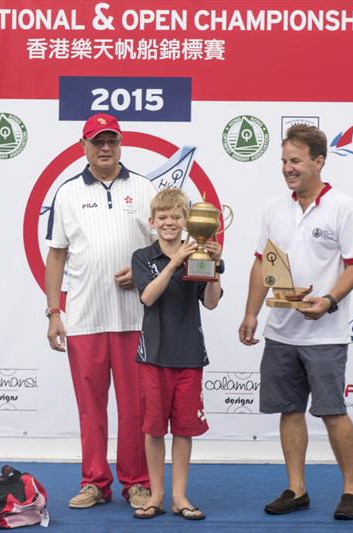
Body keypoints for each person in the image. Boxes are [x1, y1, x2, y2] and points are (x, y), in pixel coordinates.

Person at [238, 124, 353, 520]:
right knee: (290, 409)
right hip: (280, 331)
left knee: (332, 411)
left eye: (295, 161)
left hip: (326, 332)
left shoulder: (344, 207)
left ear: (319, 161)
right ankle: (297, 489)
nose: (288, 169)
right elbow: (263, 263)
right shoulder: (274, 208)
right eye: (283, 161)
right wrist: (250, 313)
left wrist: (329, 300)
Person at [44, 113, 154, 509]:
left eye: (111, 140)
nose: (105, 147)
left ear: (120, 143)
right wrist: (54, 311)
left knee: (135, 408)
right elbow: (56, 256)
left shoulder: (144, 188)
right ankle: (94, 481)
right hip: (85, 320)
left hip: (135, 320)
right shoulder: (67, 193)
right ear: (83, 146)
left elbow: (166, 247)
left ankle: (137, 482)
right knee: (91, 410)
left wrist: (142, 275)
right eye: (97, 141)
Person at [130, 188, 223, 520]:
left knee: (184, 429)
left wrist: (213, 266)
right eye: (163, 217)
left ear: (187, 221)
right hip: (153, 356)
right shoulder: (142, 257)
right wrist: (175, 262)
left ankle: (179, 496)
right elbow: (148, 297)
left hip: (189, 355)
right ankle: (155, 495)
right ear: (152, 221)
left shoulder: (198, 253)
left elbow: (211, 301)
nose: (170, 223)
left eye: (176, 217)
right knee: (154, 429)